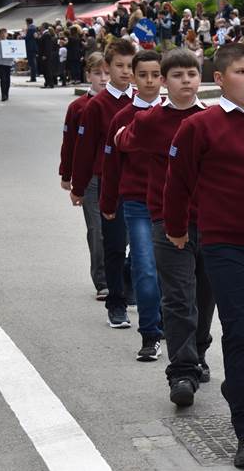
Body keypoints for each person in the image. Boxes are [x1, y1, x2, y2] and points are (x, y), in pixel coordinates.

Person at [162, 44, 244, 467]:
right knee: (241, 332)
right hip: (222, 245)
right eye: (242, 71)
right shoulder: (199, 126)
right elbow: (177, 183)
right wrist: (176, 228)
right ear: (219, 79)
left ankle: (237, 382)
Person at [115, 49, 215, 407]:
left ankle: (199, 351)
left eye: (192, 74)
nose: (186, 80)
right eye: (177, 75)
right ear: (164, 81)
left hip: (211, 222)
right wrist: (121, 134)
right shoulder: (151, 121)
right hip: (166, 220)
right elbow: (122, 140)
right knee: (177, 296)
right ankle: (182, 371)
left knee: (204, 295)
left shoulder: (212, 118)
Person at [99, 50, 164, 361]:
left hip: (173, 205)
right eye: (143, 75)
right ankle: (150, 334)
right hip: (137, 203)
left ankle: (173, 327)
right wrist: (108, 201)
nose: (149, 81)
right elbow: (111, 166)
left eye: (155, 75)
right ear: (134, 78)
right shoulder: (122, 118)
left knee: (173, 273)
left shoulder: (177, 114)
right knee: (145, 268)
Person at [70, 38, 136, 327]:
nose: (126, 71)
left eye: (130, 66)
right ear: (108, 67)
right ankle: (113, 295)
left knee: (139, 243)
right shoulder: (96, 106)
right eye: (119, 66)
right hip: (103, 180)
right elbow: (83, 150)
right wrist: (77, 185)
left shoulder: (143, 101)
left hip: (138, 183)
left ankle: (127, 280)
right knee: (109, 240)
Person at [59, 53, 109, 299]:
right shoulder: (78, 107)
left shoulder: (125, 103)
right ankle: (102, 280)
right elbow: (70, 144)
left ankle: (122, 273)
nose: (103, 78)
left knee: (125, 232)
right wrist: (66, 174)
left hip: (120, 177)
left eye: (107, 73)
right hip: (90, 178)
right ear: (88, 75)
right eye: (98, 73)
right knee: (97, 229)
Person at [0, 28, 13, 101]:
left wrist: (13, 59)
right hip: (0, 63)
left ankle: (6, 93)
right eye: (2, 33)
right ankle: (3, 95)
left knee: (7, 79)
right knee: (3, 79)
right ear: (0, 34)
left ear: (7, 34)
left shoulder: (10, 43)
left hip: (8, 63)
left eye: (5, 33)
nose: (4, 34)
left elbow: (13, 52)